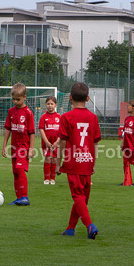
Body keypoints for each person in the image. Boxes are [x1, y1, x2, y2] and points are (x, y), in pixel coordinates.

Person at [58, 82, 101, 238]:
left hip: (73, 163)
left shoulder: (66, 117)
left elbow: (62, 142)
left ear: (69, 98)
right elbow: (95, 143)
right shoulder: (93, 118)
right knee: (82, 198)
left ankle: (90, 225)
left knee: (78, 197)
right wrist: (93, 163)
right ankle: (70, 228)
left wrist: (58, 163)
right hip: (87, 161)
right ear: (88, 98)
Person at [2, 83, 35, 205]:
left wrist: (31, 149)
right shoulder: (11, 111)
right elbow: (7, 129)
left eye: (18, 99)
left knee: (20, 169)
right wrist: (5, 145)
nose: (15, 101)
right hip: (13, 146)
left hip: (23, 146)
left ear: (24, 97)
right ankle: (18, 197)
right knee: (15, 172)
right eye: (13, 99)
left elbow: (32, 132)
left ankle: (25, 196)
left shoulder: (28, 113)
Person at [38, 96, 61, 185]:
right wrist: (46, 142)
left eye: (52, 104)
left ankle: (52, 178)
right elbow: (41, 129)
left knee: (54, 159)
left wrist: (57, 142)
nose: (50, 106)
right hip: (46, 143)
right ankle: (46, 178)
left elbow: (61, 131)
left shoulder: (59, 117)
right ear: (45, 105)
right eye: (48, 104)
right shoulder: (43, 117)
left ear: (55, 105)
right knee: (47, 159)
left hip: (56, 143)